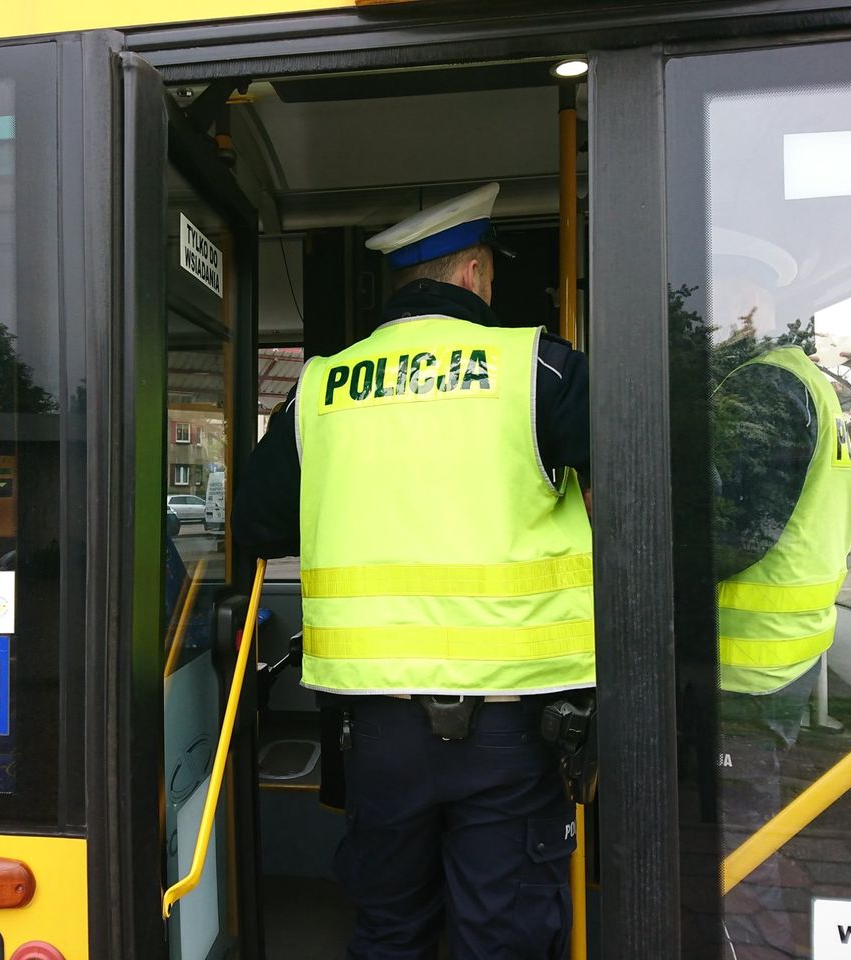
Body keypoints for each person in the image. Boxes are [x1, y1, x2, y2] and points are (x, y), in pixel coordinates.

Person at [233, 182, 593, 960]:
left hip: (377, 730)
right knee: (502, 937)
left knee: (390, 929)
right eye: (490, 272)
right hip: (513, 727)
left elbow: (258, 525)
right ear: (472, 275)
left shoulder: (321, 388)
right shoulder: (539, 367)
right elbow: (633, 496)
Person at [712, 339, 851, 957]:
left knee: (735, 851)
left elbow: (734, 534)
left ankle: (754, 948)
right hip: (782, 653)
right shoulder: (809, 382)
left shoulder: (765, 388)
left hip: (742, 664)